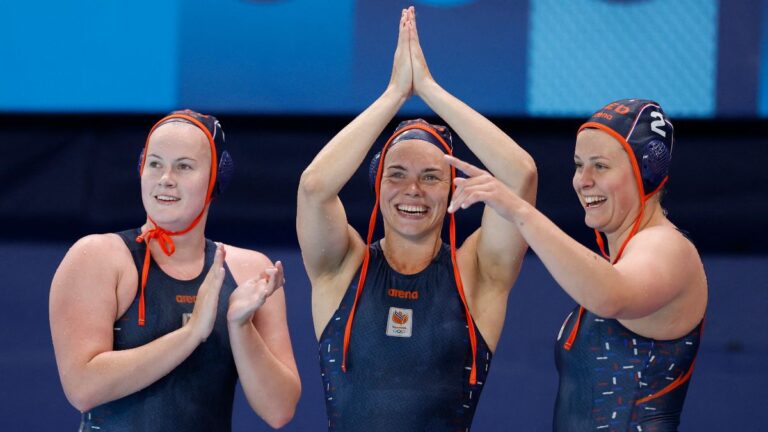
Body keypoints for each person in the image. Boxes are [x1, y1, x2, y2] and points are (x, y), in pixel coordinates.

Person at [297, 7, 537, 431]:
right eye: (397, 174)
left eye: (430, 177)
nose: (413, 190)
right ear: (377, 186)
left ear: (452, 188)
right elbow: (315, 187)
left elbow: (521, 175)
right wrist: (393, 95)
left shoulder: (477, 272)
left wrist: (428, 89)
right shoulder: (343, 266)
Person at [444, 99, 707, 431]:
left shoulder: (668, 247)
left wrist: (521, 212)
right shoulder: (625, 258)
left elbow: (611, 295)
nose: (582, 180)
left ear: (647, 172)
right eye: (578, 165)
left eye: (600, 166)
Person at [49, 110, 301, 431]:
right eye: (155, 163)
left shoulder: (249, 270)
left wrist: (240, 325)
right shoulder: (99, 257)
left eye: (184, 166)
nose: (166, 177)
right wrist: (191, 333)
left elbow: (279, 410)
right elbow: (83, 387)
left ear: (215, 179)